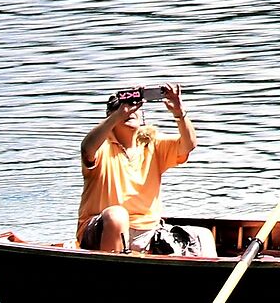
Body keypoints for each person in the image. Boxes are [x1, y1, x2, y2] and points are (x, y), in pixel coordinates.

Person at [78, 85, 198, 253]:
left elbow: (188, 145)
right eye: (120, 107)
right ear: (109, 116)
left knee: (202, 235)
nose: (129, 111)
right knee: (117, 216)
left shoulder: (153, 143)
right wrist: (118, 115)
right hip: (103, 228)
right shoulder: (102, 145)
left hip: (147, 232)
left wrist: (179, 112)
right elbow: (87, 149)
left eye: (134, 106)